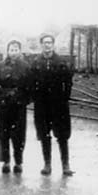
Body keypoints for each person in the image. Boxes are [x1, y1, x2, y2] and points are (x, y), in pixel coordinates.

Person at [31, 33, 74, 176]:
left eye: (49, 42)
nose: (47, 45)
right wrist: (36, 98)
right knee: (44, 134)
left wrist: (64, 99)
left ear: (53, 44)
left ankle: (65, 165)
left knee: (62, 135)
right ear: (41, 45)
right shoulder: (36, 62)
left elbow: (68, 83)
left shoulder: (61, 62)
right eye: (45, 42)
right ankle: (47, 164)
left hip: (59, 105)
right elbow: (31, 83)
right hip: (42, 105)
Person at [0, 39, 32, 174]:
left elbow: (30, 86)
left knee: (19, 134)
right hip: (4, 105)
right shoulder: (0, 66)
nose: (13, 52)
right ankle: (6, 161)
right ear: (7, 51)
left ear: (20, 51)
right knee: (4, 133)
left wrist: (24, 100)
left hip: (19, 105)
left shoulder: (25, 67)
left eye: (16, 50)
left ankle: (18, 162)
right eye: (11, 50)